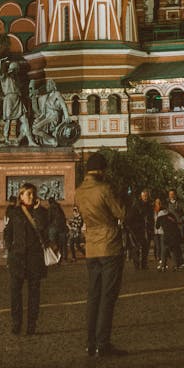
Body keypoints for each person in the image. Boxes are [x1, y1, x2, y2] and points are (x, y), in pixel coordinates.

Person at [75, 152, 127, 357]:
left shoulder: (79, 191)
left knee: (93, 295)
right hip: (109, 245)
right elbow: (120, 213)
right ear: (102, 170)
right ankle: (103, 343)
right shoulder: (105, 189)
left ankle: (90, 342)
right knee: (107, 296)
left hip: (91, 247)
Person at [3, 182, 48, 335]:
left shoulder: (41, 212)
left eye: (33, 193)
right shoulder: (14, 212)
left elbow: (43, 227)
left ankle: (31, 324)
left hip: (34, 258)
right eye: (28, 193)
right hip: (18, 258)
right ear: (20, 195)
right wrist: (11, 248)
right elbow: (7, 232)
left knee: (34, 293)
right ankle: (16, 323)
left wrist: (37, 211)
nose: (31, 196)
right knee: (15, 293)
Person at [126, 189, 154, 270]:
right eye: (144, 196)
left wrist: (151, 227)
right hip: (138, 229)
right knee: (136, 248)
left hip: (146, 229)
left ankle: (144, 264)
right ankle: (137, 264)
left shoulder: (149, 205)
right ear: (141, 197)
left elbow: (151, 217)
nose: (145, 197)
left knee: (145, 247)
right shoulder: (136, 205)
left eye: (146, 196)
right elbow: (131, 217)